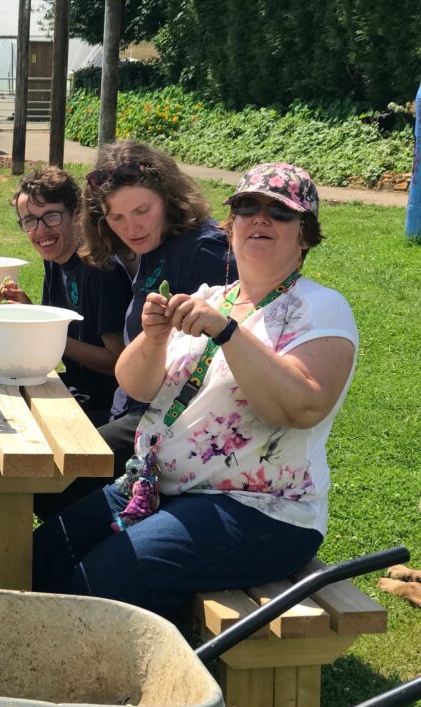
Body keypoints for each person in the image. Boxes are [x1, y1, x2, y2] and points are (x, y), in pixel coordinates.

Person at [32, 162, 359, 621]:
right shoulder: (213, 295)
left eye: (281, 212)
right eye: (247, 208)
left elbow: (302, 404)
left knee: (106, 578)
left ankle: (134, 675)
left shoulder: (320, 308)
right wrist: (153, 336)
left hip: (260, 510)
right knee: (41, 554)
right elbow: (135, 383)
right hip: (156, 486)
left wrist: (230, 333)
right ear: (232, 227)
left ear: (305, 235)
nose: (260, 219)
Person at [35, 141, 231, 520]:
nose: (131, 227)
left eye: (142, 210)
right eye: (116, 217)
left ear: (170, 199)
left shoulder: (206, 250)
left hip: (172, 419)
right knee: (43, 472)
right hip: (133, 406)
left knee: (45, 480)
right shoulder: (153, 247)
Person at [0, 166, 131, 426]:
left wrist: (46, 334)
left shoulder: (100, 271)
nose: (41, 230)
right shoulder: (55, 259)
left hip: (107, 402)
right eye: (29, 221)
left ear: (76, 214)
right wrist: (32, 311)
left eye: (52, 216)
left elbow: (117, 361)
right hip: (75, 385)